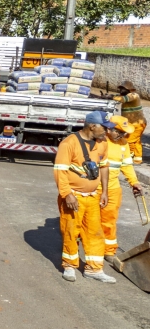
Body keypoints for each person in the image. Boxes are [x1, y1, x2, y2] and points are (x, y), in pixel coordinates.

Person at [53, 111, 114, 283]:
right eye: (104, 127)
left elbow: (104, 167)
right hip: (74, 197)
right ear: (92, 126)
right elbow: (60, 171)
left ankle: (94, 269)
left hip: (93, 197)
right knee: (71, 231)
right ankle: (69, 266)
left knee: (95, 232)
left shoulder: (102, 143)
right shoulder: (69, 143)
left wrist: (104, 191)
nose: (107, 132)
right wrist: (67, 195)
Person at [102, 115, 143, 260]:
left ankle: (109, 250)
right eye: (118, 131)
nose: (121, 135)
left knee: (109, 220)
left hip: (113, 188)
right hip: (95, 188)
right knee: (87, 218)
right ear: (109, 128)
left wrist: (134, 182)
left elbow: (126, 165)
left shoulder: (123, 144)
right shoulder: (99, 141)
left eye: (123, 132)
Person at [112, 81, 146, 164]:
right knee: (136, 141)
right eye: (120, 89)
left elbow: (122, 99)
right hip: (137, 123)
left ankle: (128, 158)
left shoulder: (133, 95)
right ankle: (138, 159)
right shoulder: (127, 96)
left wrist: (110, 96)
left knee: (129, 140)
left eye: (122, 89)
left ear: (129, 90)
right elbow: (120, 97)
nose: (120, 91)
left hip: (137, 123)